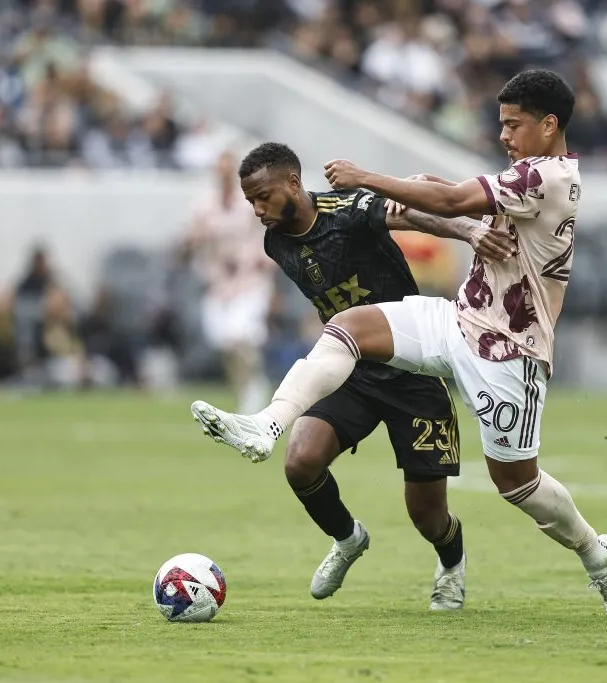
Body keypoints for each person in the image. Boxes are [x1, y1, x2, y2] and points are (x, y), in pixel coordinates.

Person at [191, 70, 607, 618]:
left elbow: (450, 201)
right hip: (457, 320)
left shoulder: (551, 177)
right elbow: (459, 202)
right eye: (501, 124)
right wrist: (455, 209)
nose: (503, 135)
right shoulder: (527, 171)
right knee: (348, 326)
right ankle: (266, 424)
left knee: (516, 484)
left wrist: (366, 178)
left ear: (549, 125)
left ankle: (597, 553)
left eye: (513, 125)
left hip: (507, 350)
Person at [193, 141, 515, 610]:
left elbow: (409, 215)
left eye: (263, 196)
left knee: (427, 516)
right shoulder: (276, 241)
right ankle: (348, 538)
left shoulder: (347, 209)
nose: (257, 209)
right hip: (349, 371)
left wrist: (467, 229)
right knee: (300, 461)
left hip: (413, 369)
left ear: (293, 183)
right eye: (250, 201)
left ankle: (451, 565)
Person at [189, 150, 277, 413]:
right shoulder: (204, 206)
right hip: (218, 283)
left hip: (250, 280)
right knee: (223, 341)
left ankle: (255, 388)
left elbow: (270, 235)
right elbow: (191, 241)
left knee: (240, 335)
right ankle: (246, 389)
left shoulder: (252, 202)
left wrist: (260, 260)